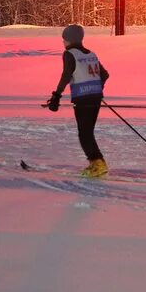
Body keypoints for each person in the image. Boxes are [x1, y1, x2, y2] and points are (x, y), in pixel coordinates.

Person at [47, 24, 111, 178]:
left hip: (82, 99)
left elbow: (66, 75)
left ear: (70, 40)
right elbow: (105, 74)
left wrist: (56, 95)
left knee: (85, 134)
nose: (63, 42)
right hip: (95, 98)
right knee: (88, 132)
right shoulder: (91, 54)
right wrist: (97, 88)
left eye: (64, 39)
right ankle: (96, 163)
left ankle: (98, 164)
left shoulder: (70, 54)